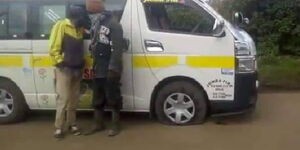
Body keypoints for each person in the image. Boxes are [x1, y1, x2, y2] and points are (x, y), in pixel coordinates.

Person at [84, 0, 125, 137]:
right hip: (98, 67)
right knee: (97, 98)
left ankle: (115, 125)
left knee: (113, 97)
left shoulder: (113, 23)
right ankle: (98, 124)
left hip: (110, 68)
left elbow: (118, 48)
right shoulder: (96, 23)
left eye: (90, 5)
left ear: (99, 5)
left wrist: (113, 68)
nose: (88, 8)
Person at [49, 5, 86, 139]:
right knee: (63, 99)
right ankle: (59, 128)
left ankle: (72, 124)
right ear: (75, 16)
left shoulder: (79, 29)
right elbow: (53, 47)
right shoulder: (61, 25)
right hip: (64, 69)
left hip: (77, 69)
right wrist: (60, 62)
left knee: (74, 100)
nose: (83, 19)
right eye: (81, 16)